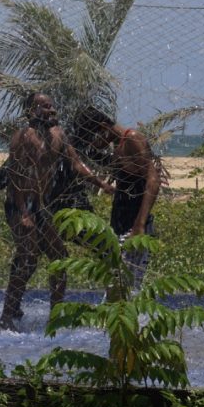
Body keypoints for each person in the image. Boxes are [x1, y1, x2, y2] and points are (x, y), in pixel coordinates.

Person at [0, 93, 110, 331]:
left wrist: (101, 184)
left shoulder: (58, 135)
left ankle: (55, 317)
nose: (51, 110)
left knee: (60, 258)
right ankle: (6, 316)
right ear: (31, 111)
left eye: (52, 106)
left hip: (40, 206)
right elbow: (15, 176)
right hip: (18, 205)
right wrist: (23, 212)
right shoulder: (23, 137)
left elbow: (76, 164)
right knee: (28, 258)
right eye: (44, 107)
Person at [74, 105, 162, 288]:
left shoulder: (132, 139)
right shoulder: (118, 147)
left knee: (123, 287)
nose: (93, 145)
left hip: (134, 227)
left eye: (92, 139)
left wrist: (139, 225)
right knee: (118, 288)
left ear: (103, 128)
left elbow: (153, 181)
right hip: (120, 226)